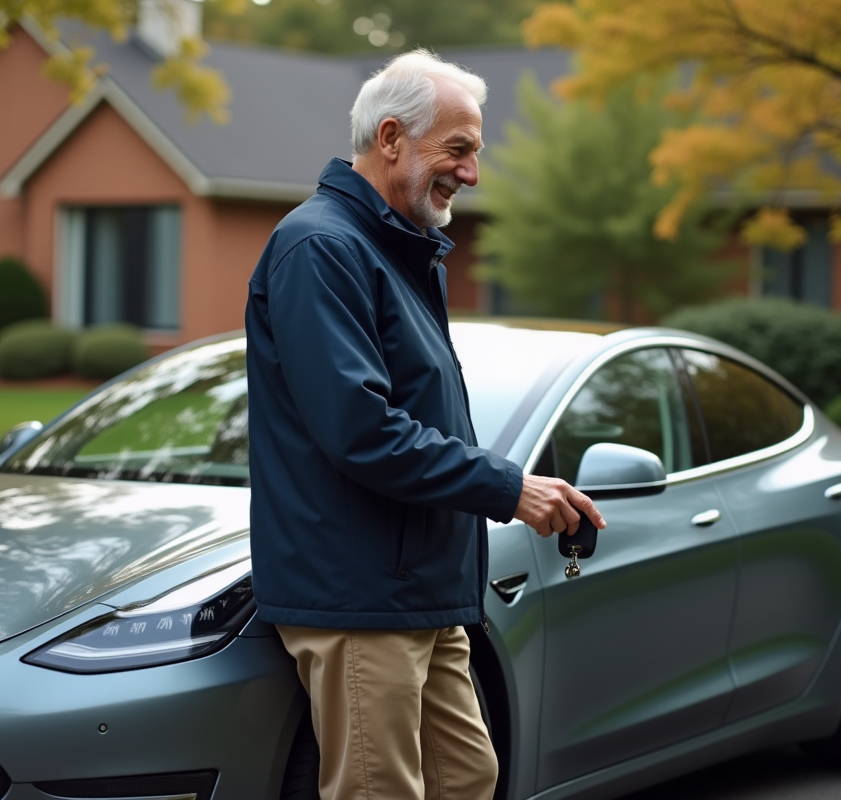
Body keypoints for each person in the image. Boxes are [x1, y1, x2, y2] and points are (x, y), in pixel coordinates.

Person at [245, 49, 605, 800]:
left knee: (466, 778)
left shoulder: (398, 252)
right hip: (361, 594)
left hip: (423, 590)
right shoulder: (323, 248)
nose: (471, 174)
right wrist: (510, 489)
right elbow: (361, 430)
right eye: (459, 149)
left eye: (475, 152)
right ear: (390, 138)